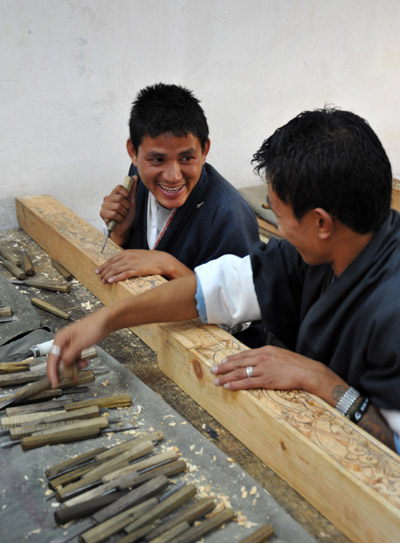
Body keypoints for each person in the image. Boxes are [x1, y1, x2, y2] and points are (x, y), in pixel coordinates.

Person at [48, 107, 400, 453]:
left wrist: (321, 380)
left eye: (277, 213)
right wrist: (107, 320)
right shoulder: (320, 252)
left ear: (321, 223)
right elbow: (215, 288)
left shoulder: (391, 311)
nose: (275, 224)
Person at [97, 83, 260, 283]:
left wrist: (168, 265)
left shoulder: (228, 218)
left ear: (204, 150)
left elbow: (240, 304)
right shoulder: (137, 179)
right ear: (133, 152)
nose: (173, 176)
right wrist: (120, 235)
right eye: (157, 160)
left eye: (186, 158)